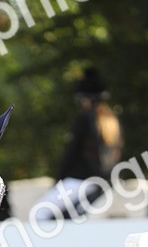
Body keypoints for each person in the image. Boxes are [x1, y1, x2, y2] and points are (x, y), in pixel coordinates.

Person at [35, 67, 123, 220]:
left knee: (39, 213)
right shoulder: (113, 121)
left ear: (84, 99)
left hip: (79, 180)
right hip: (104, 183)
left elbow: (71, 152)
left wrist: (58, 180)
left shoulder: (85, 119)